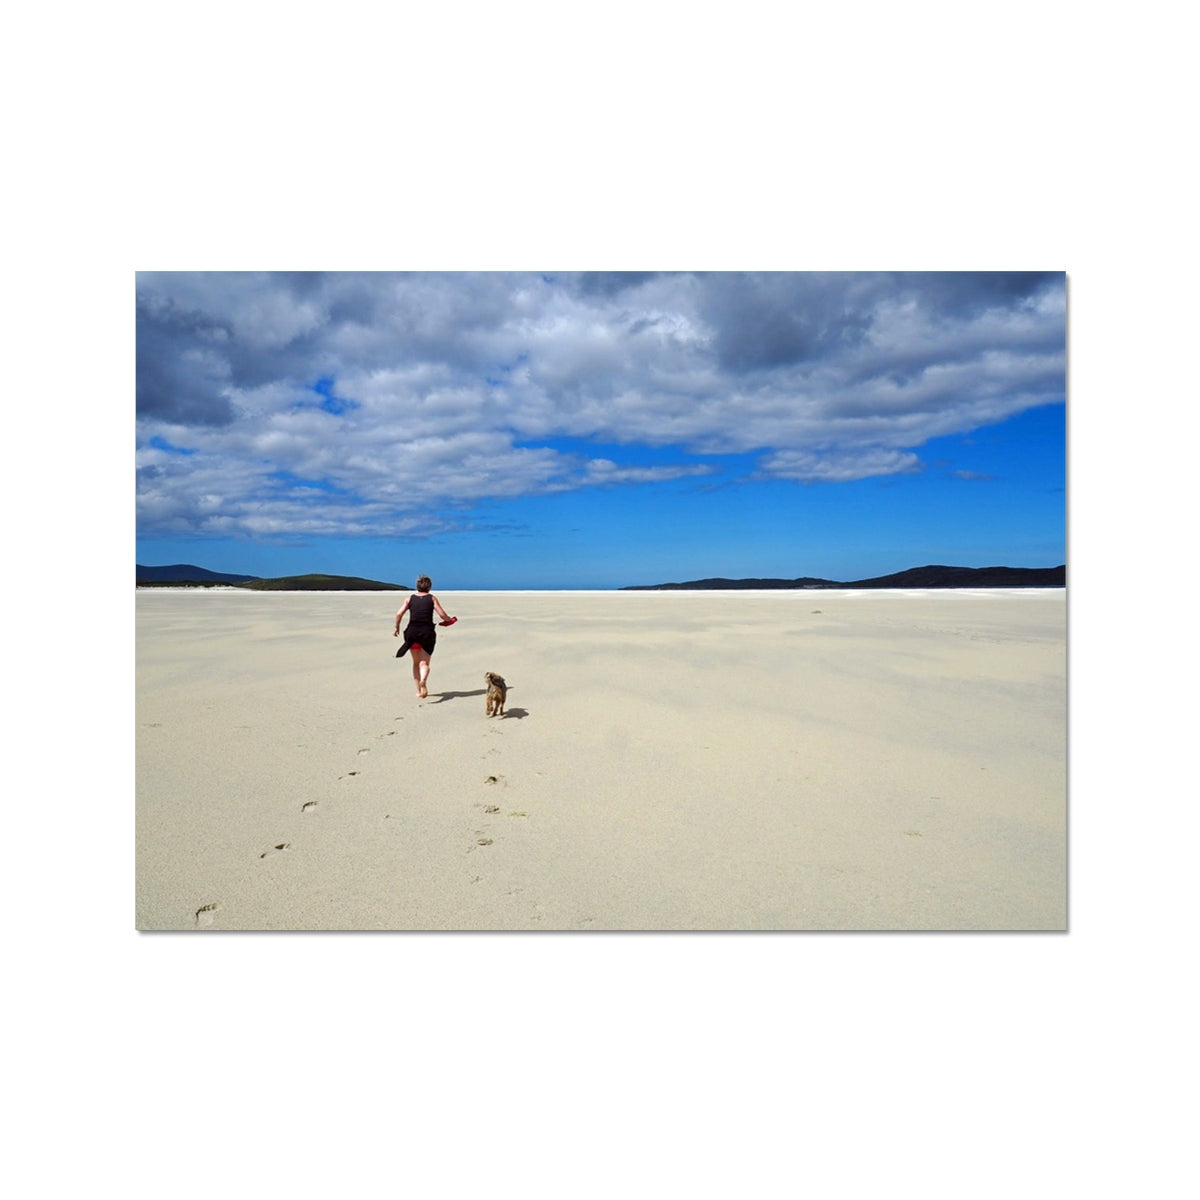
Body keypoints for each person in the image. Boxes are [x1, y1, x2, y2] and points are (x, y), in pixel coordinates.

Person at [393, 575, 454, 698]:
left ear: (417, 586)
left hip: (412, 633)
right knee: (424, 663)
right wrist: (449, 620)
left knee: (415, 662)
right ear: (429, 587)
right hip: (427, 633)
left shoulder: (409, 598)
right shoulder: (432, 599)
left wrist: (397, 627)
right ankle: (424, 680)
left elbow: (399, 613)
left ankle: (418, 691)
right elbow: (442, 615)